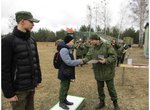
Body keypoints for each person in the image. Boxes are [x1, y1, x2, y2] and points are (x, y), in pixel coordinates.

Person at [2, 11, 42, 110]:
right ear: (22, 21)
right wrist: (9, 93)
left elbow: (36, 61)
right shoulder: (7, 41)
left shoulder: (32, 40)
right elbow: (4, 68)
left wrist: (38, 79)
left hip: (31, 86)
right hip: (18, 90)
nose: (33, 24)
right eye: (31, 22)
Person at [83, 35, 120, 110]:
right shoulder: (92, 47)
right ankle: (102, 102)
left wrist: (106, 60)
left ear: (97, 40)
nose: (91, 41)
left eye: (93, 40)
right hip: (98, 72)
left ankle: (115, 103)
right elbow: (88, 57)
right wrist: (82, 61)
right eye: (91, 40)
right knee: (100, 88)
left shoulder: (107, 46)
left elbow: (114, 56)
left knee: (111, 88)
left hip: (108, 72)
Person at [57, 35, 83, 110]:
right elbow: (68, 62)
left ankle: (64, 100)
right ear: (68, 41)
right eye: (72, 41)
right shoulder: (64, 50)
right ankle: (61, 102)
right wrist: (79, 61)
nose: (73, 42)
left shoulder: (68, 48)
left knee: (66, 87)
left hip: (67, 72)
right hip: (64, 72)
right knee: (64, 87)